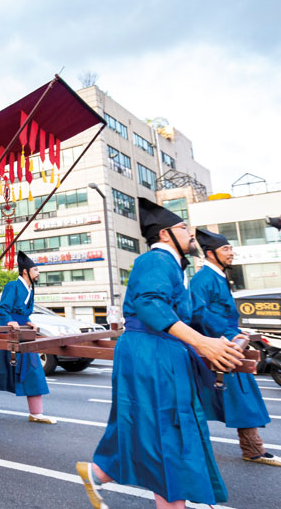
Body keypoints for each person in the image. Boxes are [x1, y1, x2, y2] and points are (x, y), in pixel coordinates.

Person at [77, 198, 244, 509]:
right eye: (184, 228)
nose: (191, 234)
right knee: (166, 429)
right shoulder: (154, 261)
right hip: (150, 353)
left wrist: (232, 336)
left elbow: (197, 314)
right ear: (165, 234)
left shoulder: (176, 267)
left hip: (164, 351)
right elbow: (150, 304)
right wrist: (202, 343)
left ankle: (98, 472)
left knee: (150, 424)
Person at [190, 228, 277, 466]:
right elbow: (197, 313)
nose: (231, 253)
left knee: (242, 397)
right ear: (210, 254)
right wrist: (227, 334)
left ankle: (253, 449)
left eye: (230, 248)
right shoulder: (202, 278)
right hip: (217, 346)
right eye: (225, 249)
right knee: (195, 401)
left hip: (230, 344)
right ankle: (250, 449)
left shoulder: (218, 275)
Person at [0, 251, 55, 424]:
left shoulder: (30, 290)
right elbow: (3, 309)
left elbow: (23, 314)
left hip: (23, 333)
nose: (38, 273)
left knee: (34, 370)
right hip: (9, 333)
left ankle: (36, 413)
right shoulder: (12, 286)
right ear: (25, 271)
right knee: (0, 372)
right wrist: (9, 321)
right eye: (35, 270)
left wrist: (29, 322)